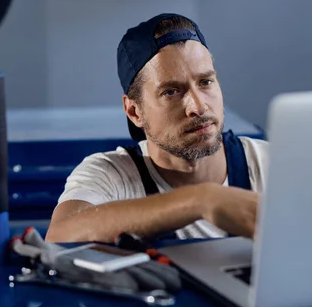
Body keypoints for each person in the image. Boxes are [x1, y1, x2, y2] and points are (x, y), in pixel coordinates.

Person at [45, 13, 269, 243]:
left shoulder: (273, 164)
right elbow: (60, 235)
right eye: (171, 91)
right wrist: (202, 200)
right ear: (134, 111)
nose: (198, 107)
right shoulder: (110, 175)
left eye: (205, 82)